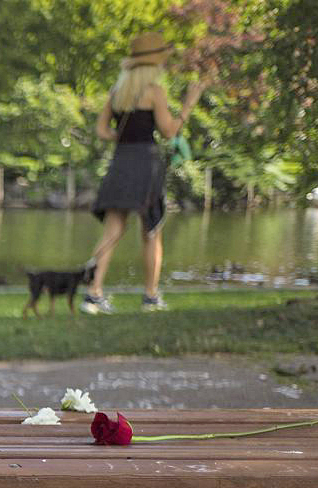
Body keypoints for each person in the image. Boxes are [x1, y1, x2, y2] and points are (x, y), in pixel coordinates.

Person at [81, 31, 207, 314]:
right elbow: (169, 131)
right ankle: (150, 297)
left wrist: (123, 138)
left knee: (112, 231)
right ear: (154, 65)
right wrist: (189, 104)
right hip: (146, 163)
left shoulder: (116, 92)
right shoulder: (154, 92)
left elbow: (101, 130)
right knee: (151, 231)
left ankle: (93, 294)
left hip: (120, 162)